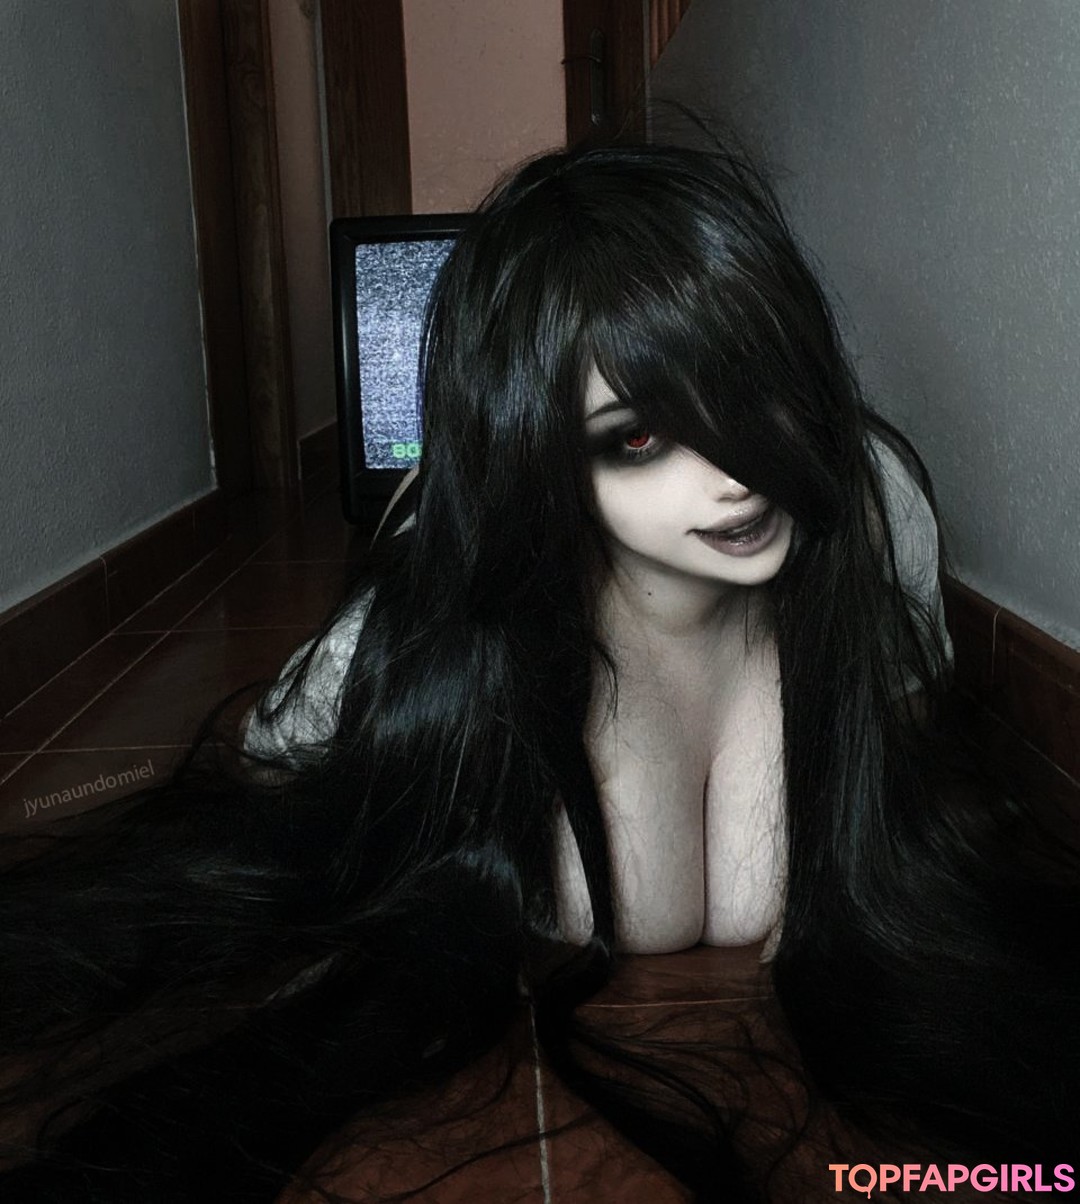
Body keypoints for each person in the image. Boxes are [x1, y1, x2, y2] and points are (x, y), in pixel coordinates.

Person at [0, 141, 1075, 1203]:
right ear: (546, 455)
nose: (736, 473)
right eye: (640, 437)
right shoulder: (439, 601)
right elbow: (278, 750)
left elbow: (909, 714)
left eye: (751, 387)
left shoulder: (873, 510)